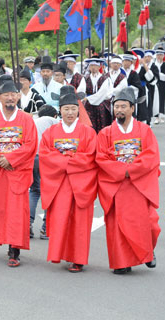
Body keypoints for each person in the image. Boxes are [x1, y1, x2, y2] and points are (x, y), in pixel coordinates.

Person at [97, 87, 161, 274]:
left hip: (139, 185)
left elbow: (151, 156)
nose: (120, 110)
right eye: (116, 106)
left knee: (149, 223)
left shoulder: (144, 130)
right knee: (118, 227)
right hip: (116, 186)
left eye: (124, 106)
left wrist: (130, 170)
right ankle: (121, 262)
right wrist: (121, 171)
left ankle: (147, 252)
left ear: (132, 108)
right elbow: (101, 158)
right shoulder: (105, 133)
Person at [0, 80, 38, 267]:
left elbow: (30, 144)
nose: (10, 98)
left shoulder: (26, 119)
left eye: (13, 94)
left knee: (17, 212)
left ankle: (15, 250)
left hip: (17, 171)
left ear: (18, 96)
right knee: (2, 210)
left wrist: (11, 159)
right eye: (6, 95)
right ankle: (6, 241)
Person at [39, 89, 97, 273]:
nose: (70, 113)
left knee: (79, 223)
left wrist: (66, 161)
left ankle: (78, 259)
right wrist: (69, 160)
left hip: (81, 183)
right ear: (60, 111)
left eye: (73, 109)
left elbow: (90, 157)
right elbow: (46, 155)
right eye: (66, 109)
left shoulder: (88, 132)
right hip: (59, 183)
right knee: (60, 220)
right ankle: (60, 253)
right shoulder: (51, 132)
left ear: (78, 111)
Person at [29, 104, 58, 240]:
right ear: (55, 115)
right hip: (46, 159)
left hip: (32, 158)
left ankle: (28, 225)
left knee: (34, 191)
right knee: (50, 192)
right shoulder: (54, 121)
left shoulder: (34, 121)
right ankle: (46, 229)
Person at [83, 57, 111, 132]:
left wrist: (88, 98)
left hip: (101, 105)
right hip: (88, 106)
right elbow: (83, 91)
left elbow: (102, 93)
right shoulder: (85, 78)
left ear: (99, 67)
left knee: (101, 126)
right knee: (89, 126)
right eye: (91, 65)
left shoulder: (105, 78)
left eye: (95, 66)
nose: (93, 68)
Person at [151, 49, 165, 124]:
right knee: (156, 99)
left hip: (163, 84)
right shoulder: (153, 64)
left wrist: (158, 74)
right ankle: (156, 116)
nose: (159, 56)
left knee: (163, 98)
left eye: (160, 55)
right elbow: (152, 75)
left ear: (163, 56)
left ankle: (162, 114)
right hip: (155, 83)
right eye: (158, 55)